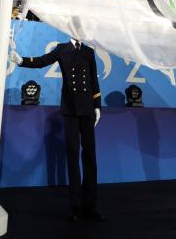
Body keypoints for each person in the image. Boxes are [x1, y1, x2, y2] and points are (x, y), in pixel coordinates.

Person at [10, 38, 105, 222]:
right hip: (70, 109)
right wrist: (22, 61)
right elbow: (42, 61)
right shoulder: (62, 49)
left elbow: (94, 80)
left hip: (87, 108)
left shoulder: (88, 51)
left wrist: (97, 106)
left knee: (90, 157)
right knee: (72, 156)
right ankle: (76, 206)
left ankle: (91, 205)